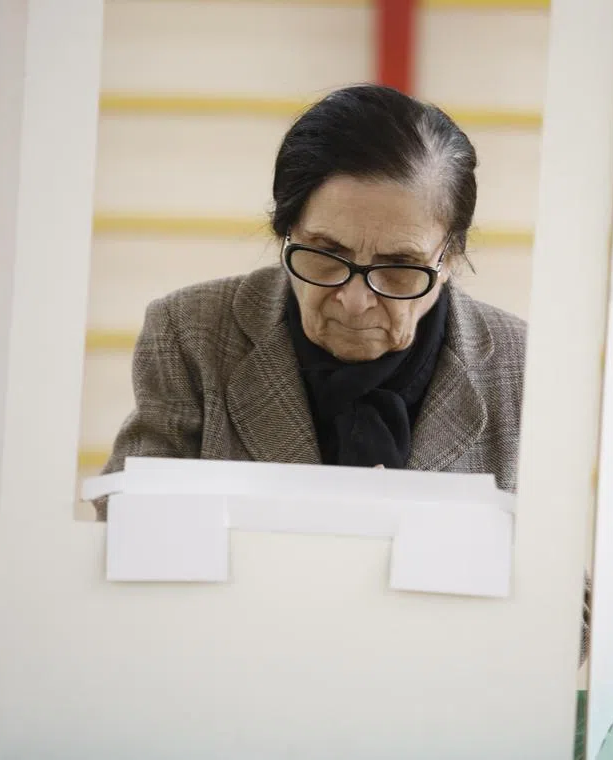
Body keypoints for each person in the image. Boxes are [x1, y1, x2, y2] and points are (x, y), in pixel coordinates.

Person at [94, 84, 527, 521]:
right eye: (327, 255)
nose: (356, 301)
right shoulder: (192, 333)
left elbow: (557, 573)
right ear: (285, 233)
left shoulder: (522, 370)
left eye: (399, 266)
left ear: (449, 257)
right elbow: (127, 523)